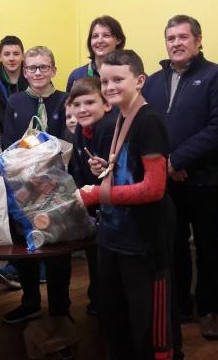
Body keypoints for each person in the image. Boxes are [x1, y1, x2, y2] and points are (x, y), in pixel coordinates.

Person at [142, 14, 218, 341]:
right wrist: (165, 164)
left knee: (208, 248)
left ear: (198, 41)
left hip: (205, 181)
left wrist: (178, 159)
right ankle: (180, 305)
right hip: (165, 182)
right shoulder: (152, 81)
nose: (177, 43)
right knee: (173, 245)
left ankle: (210, 311)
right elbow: (147, 125)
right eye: (171, 38)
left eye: (183, 37)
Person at [78, 49, 175, 360]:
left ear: (140, 80)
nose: (110, 87)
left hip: (142, 241)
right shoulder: (119, 118)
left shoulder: (150, 121)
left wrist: (97, 195)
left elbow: (154, 188)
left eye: (119, 79)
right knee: (114, 317)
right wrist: (105, 172)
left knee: (146, 327)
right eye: (105, 81)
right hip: (113, 236)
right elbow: (129, 169)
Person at [0, 46, 72, 325]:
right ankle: (30, 300)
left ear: (54, 69)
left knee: (57, 249)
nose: (37, 72)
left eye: (43, 67)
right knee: (26, 245)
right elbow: (8, 142)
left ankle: (59, 307)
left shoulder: (66, 100)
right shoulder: (15, 102)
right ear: (24, 72)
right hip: (23, 185)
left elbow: (70, 140)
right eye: (32, 68)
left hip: (58, 186)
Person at [67, 77, 118, 316]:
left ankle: (105, 302)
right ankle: (98, 298)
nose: (82, 109)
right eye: (76, 104)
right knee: (94, 258)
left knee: (106, 263)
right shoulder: (81, 128)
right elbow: (77, 167)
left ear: (106, 104)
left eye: (89, 102)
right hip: (91, 202)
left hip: (111, 205)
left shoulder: (108, 128)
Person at [65, 16, 126, 92]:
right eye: (95, 36)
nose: (99, 40)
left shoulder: (131, 74)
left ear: (118, 40)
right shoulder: (77, 76)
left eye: (106, 35)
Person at [0, 35, 28, 131]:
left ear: (23, 56)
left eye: (16, 54)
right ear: (0, 57)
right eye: (7, 54)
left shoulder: (33, 78)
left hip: (32, 140)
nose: (11, 58)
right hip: (2, 140)